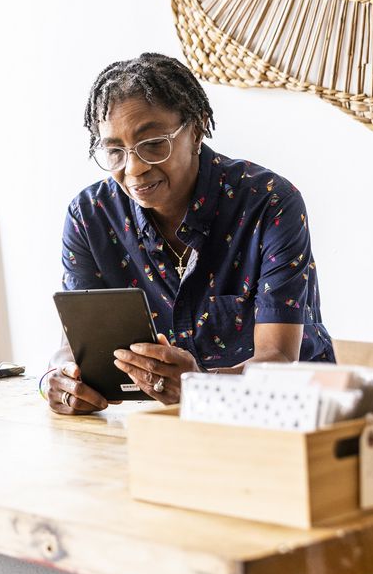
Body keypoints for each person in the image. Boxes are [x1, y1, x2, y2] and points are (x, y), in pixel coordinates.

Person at [45, 53, 334, 415]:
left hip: (291, 418)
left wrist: (200, 387)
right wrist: (59, 382)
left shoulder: (270, 204)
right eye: (115, 151)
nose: (134, 169)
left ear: (196, 130)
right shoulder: (91, 217)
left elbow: (277, 360)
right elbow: (73, 348)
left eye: (153, 144)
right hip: (165, 427)